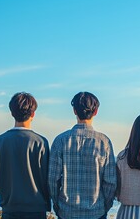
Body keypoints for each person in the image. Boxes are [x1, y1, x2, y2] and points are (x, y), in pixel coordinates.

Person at [48, 91, 117, 219]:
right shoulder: (104, 142)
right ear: (96, 112)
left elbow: (53, 180)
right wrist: (104, 207)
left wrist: (57, 205)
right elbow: (110, 182)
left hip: (67, 211)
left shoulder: (60, 141)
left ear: (74, 111)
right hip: (96, 212)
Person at [0, 92, 50, 219]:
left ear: (12, 113)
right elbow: (46, 178)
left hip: (10, 207)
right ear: (33, 114)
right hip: (37, 208)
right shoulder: (41, 142)